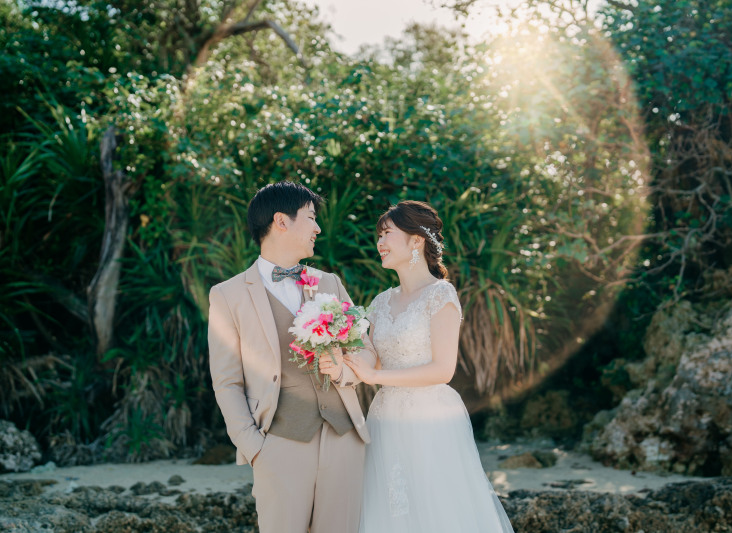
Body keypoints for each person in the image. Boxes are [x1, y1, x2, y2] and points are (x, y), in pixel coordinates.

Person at [207, 180, 376, 533]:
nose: (317, 228)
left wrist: (345, 371)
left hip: (344, 439)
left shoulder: (328, 283)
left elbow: (364, 348)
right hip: (278, 443)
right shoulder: (228, 295)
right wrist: (255, 447)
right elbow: (227, 381)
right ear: (281, 222)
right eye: (311, 218)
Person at [344, 200, 515, 533]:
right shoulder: (381, 302)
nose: (379, 243)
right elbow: (371, 357)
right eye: (378, 235)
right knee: (390, 507)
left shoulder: (440, 295)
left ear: (416, 240)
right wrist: (342, 351)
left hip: (430, 417)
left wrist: (375, 376)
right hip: (385, 417)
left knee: (437, 509)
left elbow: (443, 369)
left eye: (387, 234)